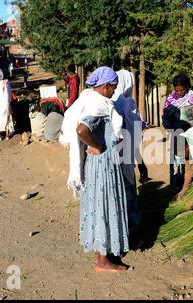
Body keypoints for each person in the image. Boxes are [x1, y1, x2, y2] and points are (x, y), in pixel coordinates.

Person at [60, 66, 129, 272]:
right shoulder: (97, 105)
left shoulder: (92, 100)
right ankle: (102, 261)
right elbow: (81, 129)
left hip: (102, 166)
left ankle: (107, 252)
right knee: (104, 207)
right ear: (105, 86)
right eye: (113, 88)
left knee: (101, 205)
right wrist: (98, 146)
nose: (115, 92)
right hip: (103, 166)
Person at [111, 68, 147, 241]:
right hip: (125, 155)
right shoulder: (127, 104)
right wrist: (141, 163)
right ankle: (131, 233)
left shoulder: (108, 101)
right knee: (128, 192)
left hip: (108, 157)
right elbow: (136, 135)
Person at [162, 74, 193, 190]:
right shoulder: (170, 99)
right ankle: (177, 186)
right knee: (177, 158)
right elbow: (165, 116)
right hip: (176, 133)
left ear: (187, 86)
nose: (179, 93)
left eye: (182, 90)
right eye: (177, 90)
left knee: (192, 159)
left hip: (192, 133)